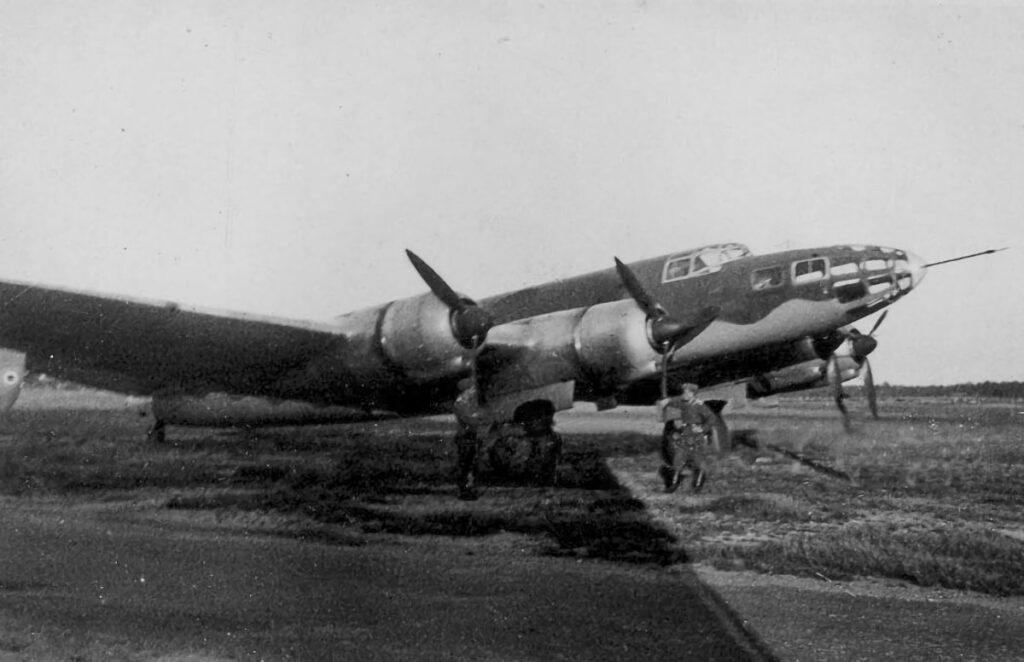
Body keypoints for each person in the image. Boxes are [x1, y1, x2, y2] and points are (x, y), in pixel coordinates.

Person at [658, 381, 716, 494]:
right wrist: (667, 401)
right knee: (679, 458)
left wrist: (703, 429)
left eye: (686, 392)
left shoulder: (699, 405)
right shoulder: (684, 403)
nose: (684, 394)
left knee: (698, 460)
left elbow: (711, 418)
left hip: (696, 435)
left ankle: (697, 486)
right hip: (686, 433)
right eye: (684, 392)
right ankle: (673, 484)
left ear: (692, 393)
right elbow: (676, 402)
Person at [451, 378, 493, 500]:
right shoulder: (461, 403)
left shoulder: (465, 402)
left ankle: (468, 489)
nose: (474, 391)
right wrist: (481, 419)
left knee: (470, 465)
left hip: (469, 436)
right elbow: (470, 420)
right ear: (466, 390)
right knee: (466, 465)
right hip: (466, 437)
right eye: (472, 388)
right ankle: (465, 490)